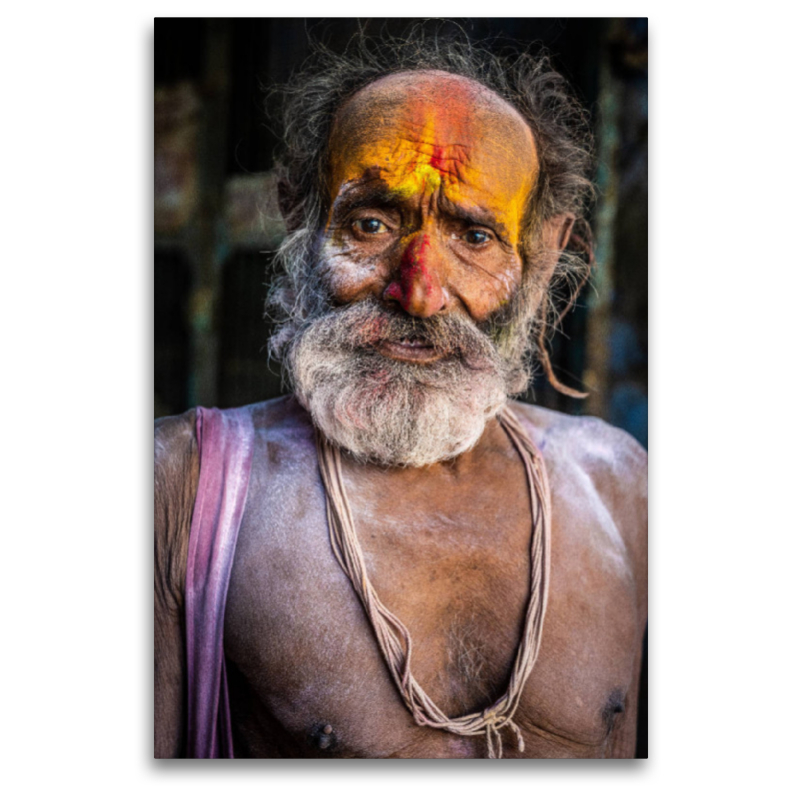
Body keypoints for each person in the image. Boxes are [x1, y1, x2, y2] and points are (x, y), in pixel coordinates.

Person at [155, 36, 647, 759]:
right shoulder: (179, 485)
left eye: (475, 236)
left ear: (541, 253)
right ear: (298, 215)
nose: (418, 290)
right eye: (372, 224)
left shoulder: (621, 485)